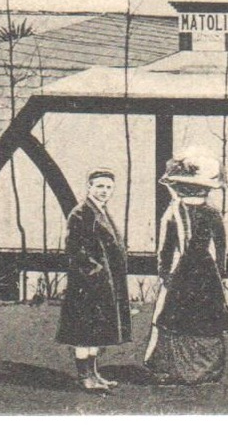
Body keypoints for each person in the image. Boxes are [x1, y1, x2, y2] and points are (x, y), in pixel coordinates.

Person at [145, 148, 228, 385]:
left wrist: (164, 273)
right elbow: (221, 248)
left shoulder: (174, 213)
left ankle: (178, 370)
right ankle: (203, 370)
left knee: (176, 318)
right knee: (204, 319)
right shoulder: (212, 213)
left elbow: (164, 249)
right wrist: (220, 272)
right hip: (206, 273)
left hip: (183, 272)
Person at [57, 168, 131, 392]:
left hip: (104, 284)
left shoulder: (102, 212)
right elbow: (75, 249)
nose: (104, 191)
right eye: (99, 186)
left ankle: (95, 374)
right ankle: (85, 377)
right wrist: (95, 272)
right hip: (87, 284)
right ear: (89, 187)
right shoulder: (81, 213)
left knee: (96, 332)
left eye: (108, 187)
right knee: (84, 333)